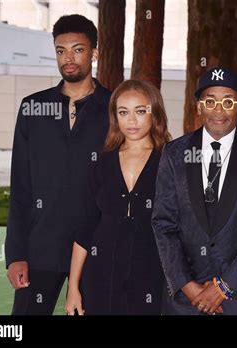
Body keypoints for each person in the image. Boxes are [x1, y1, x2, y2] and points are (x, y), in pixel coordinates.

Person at [152, 67, 237, 315]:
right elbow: (163, 224)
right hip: (185, 301)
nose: (219, 110)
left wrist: (224, 287)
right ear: (199, 107)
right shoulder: (174, 154)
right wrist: (188, 286)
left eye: (228, 101)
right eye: (210, 101)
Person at [5, 14, 112, 315]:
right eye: (61, 50)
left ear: (94, 53)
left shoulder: (116, 109)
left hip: (96, 248)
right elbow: (20, 186)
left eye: (78, 49)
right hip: (41, 248)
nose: (69, 58)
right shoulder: (33, 108)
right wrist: (15, 254)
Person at [65, 80, 170, 315]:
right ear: (115, 117)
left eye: (140, 111)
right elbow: (85, 228)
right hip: (100, 275)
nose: (131, 120)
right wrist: (73, 286)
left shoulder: (171, 162)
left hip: (151, 277)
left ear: (155, 113)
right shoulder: (101, 163)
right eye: (123, 112)